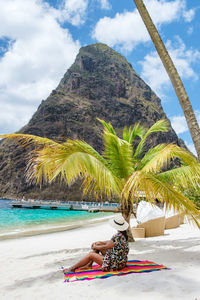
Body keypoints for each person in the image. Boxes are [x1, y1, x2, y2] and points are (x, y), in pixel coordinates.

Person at [63, 215, 129, 273]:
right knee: (98, 245)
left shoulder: (117, 236)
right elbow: (110, 242)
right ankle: (88, 265)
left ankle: (72, 268)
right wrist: (100, 242)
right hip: (121, 262)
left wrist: (95, 247)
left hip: (114, 265)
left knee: (91, 255)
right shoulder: (123, 236)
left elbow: (105, 247)